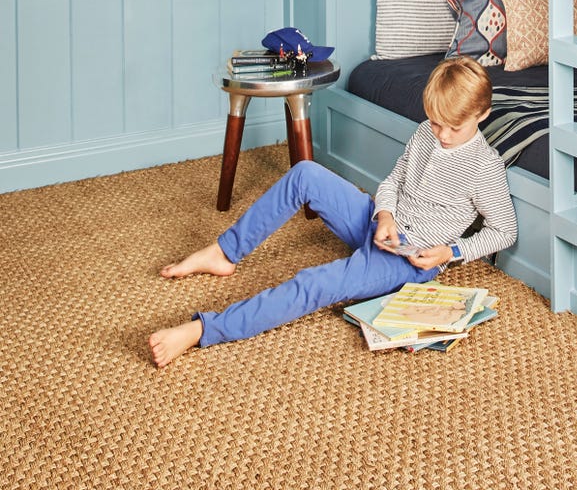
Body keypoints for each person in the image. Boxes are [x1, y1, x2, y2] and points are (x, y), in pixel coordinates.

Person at [148, 57, 517, 367]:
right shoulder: (425, 133)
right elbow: (392, 181)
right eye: (436, 123)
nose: (443, 135)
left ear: (482, 113)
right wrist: (385, 214)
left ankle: (203, 330)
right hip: (380, 223)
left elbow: (504, 231)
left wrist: (450, 252)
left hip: (412, 260)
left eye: (454, 127)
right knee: (305, 173)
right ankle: (223, 252)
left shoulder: (485, 168)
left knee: (315, 283)